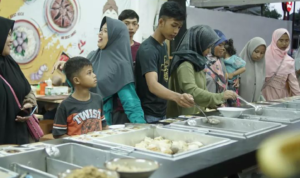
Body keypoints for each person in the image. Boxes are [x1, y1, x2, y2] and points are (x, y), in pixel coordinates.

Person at [53, 17, 146, 125]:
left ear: (115, 36)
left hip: (99, 123)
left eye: (105, 31)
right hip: (77, 117)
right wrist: (68, 69)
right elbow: (76, 83)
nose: (100, 34)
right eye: (101, 30)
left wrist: (142, 128)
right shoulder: (93, 56)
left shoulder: (121, 65)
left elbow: (131, 102)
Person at [135, 1, 194, 123]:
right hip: (149, 114)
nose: (176, 31)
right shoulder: (148, 49)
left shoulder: (162, 46)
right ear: (161, 22)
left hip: (161, 112)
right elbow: (153, 85)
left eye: (179, 27)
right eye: (174, 25)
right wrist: (178, 97)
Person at [167, 25, 237, 117]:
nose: (209, 50)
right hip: (183, 119)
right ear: (199, 44)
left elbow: (202, 92)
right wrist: (220, 96)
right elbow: (192, 92)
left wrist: (214, 104)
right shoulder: (185, 64)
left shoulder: (197, 63)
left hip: (195, 116)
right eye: (207, 47)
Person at [0, 16, 37, 144]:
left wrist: (28, 105)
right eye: (7, 35)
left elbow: (27, 91)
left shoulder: (11, 64)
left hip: (19, 140)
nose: (11, 40)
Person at [52, 57, 107, 138]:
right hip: (76, 149)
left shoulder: (98, 99)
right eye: (89, 73)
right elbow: (58, 134)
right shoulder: (65, 105)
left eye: (93, 72)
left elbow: (104, 126)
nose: (94, 75)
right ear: (77, 80)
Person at [110, 9, 141, 124]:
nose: (131, 27)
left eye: (134, 24)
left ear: (138, 26)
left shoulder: (141, 49)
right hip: (116, 106)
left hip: (136, 104)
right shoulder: (111, 49)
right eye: (126, 23)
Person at [262, 29, 300, 101]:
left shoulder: (289, 61)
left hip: (281, 98)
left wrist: (298, 97)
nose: (284, 43)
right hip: (264, 95)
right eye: (281, 40)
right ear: (275, 40)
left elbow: (293, 82)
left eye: (287, 40)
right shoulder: (264, 56)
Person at [239, 37, 267, 103]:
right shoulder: (238, 64)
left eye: (262, 53)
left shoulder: (261, 66)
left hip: (254, 107)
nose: (258, 55)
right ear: (250, 49)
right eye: (256, 51)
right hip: (239, 105)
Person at [205, 30, 229, 94]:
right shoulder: (202, 62)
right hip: (207, 102)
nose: (223, 48)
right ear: (211, 45)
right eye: (220, 45)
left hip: (220, 101)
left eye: (224, 45)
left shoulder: (220, 62)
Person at [223, 39, 246, 106]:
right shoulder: (221, 60)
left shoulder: (233, 59)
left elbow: (243, 68)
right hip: (225, 82)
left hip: (231, 82)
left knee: (232, 99)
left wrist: (233, 74)